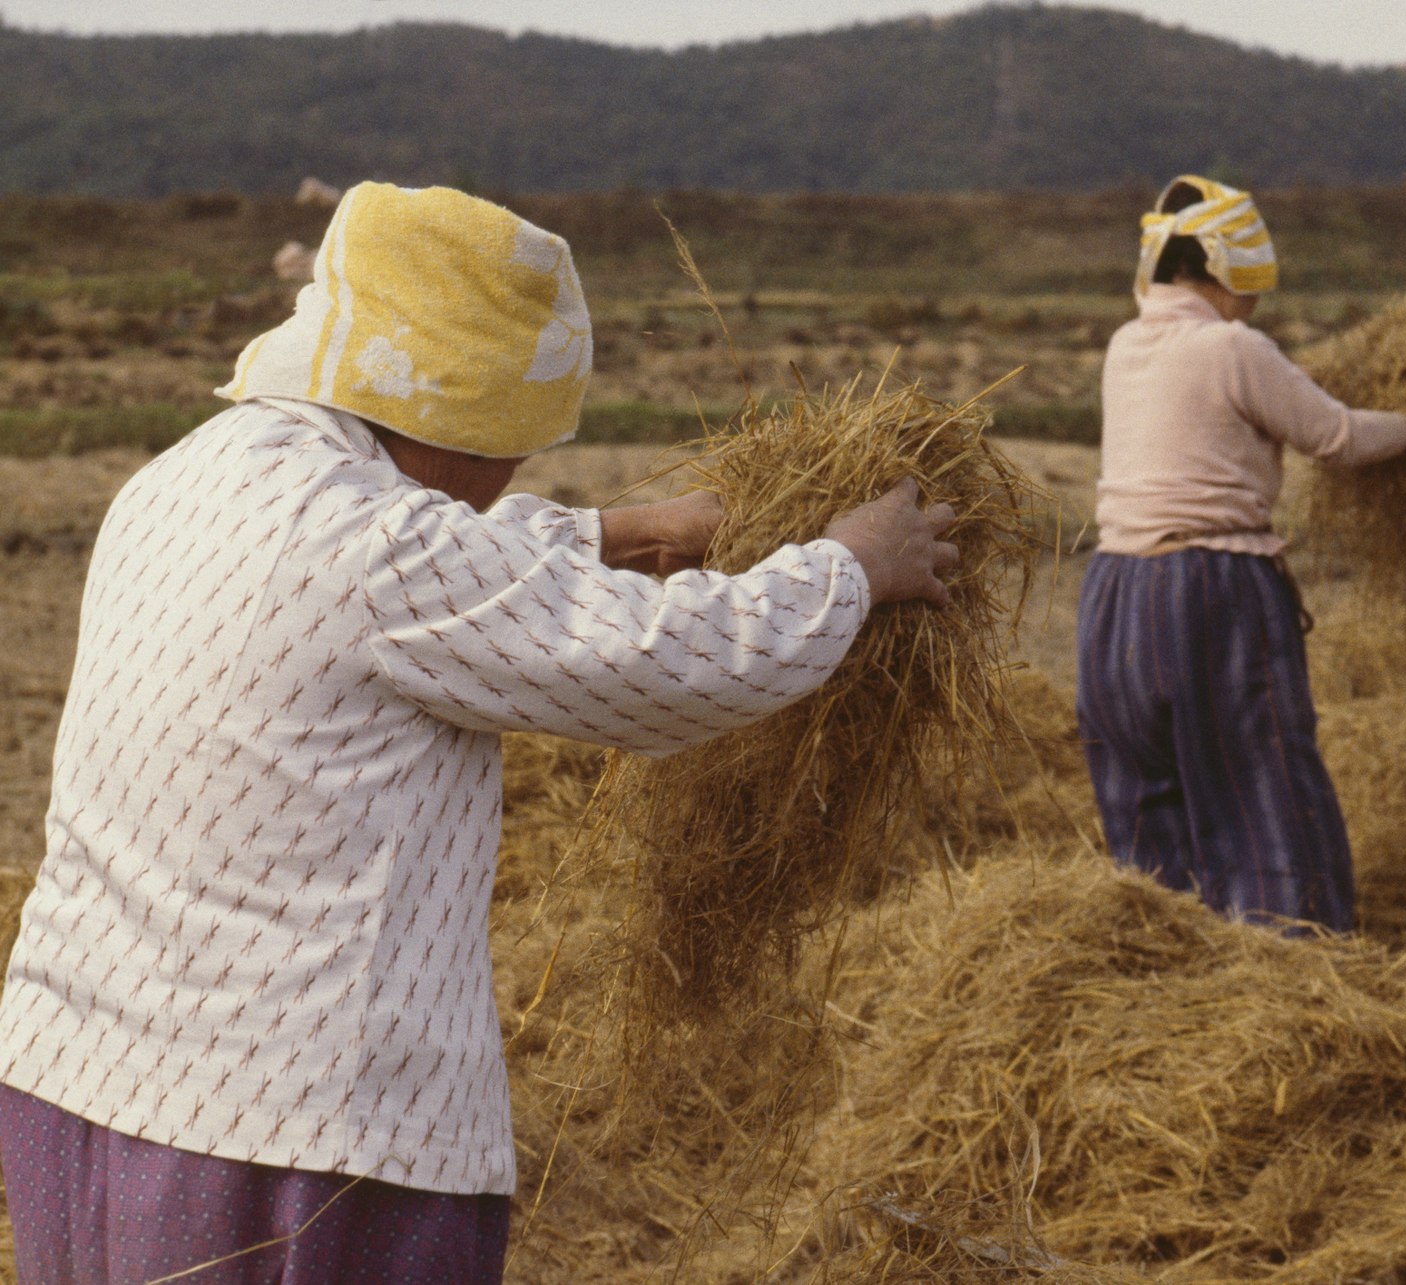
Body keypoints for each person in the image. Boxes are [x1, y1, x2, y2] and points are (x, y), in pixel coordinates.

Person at [0, 182, 957, 1282]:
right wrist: (849, 566)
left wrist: (606, 534)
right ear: (456, 411)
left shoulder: (184, 480)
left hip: (77, 1075)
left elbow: (435, 569)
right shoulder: (384, 548)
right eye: (514, 439)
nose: (516, 471)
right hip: (285, 1133)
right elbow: (667, 665)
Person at [1075, 175, 1406, 932]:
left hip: (1113, 595)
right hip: (1210, 589)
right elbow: (1340, 438)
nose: (1256, 305)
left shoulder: (1124, 346)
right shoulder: (1232, 347)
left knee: (1146, 800)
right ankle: (1294, 962)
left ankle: (1161, 960)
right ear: (1226, 272)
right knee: (1260, 781)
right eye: (1251, 289)